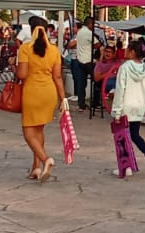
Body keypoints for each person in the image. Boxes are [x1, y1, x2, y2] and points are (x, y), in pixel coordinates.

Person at [17, 25, 66, 182]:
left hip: (32, 93)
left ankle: (46, 160)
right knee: (38, 130)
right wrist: (63, 98)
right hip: (49, 93)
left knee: (28, 133)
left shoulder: (25, 49)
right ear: (47, 31)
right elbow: (57, 77)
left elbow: (22, 74)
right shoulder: (54, 50)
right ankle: (35, 168)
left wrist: (14, 66)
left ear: (32, 32)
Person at [110, 41, 145, 174]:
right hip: (139, 106)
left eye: (128, 49)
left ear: (132, 52)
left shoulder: (124, 68)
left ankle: (126, 167)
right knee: (134, 134)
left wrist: (116, 112)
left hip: (125, 107)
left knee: (122, 137)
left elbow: (120, 90)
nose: (125, 51)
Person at [73, 17, 95, 110]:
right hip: (88, 60)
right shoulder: (89, 33)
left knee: (81, 83)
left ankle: (81, 104)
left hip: (80, 60)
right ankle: (96, 102)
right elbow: (97, 44)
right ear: (90, 24)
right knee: (96, 81)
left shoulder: (80, 32)